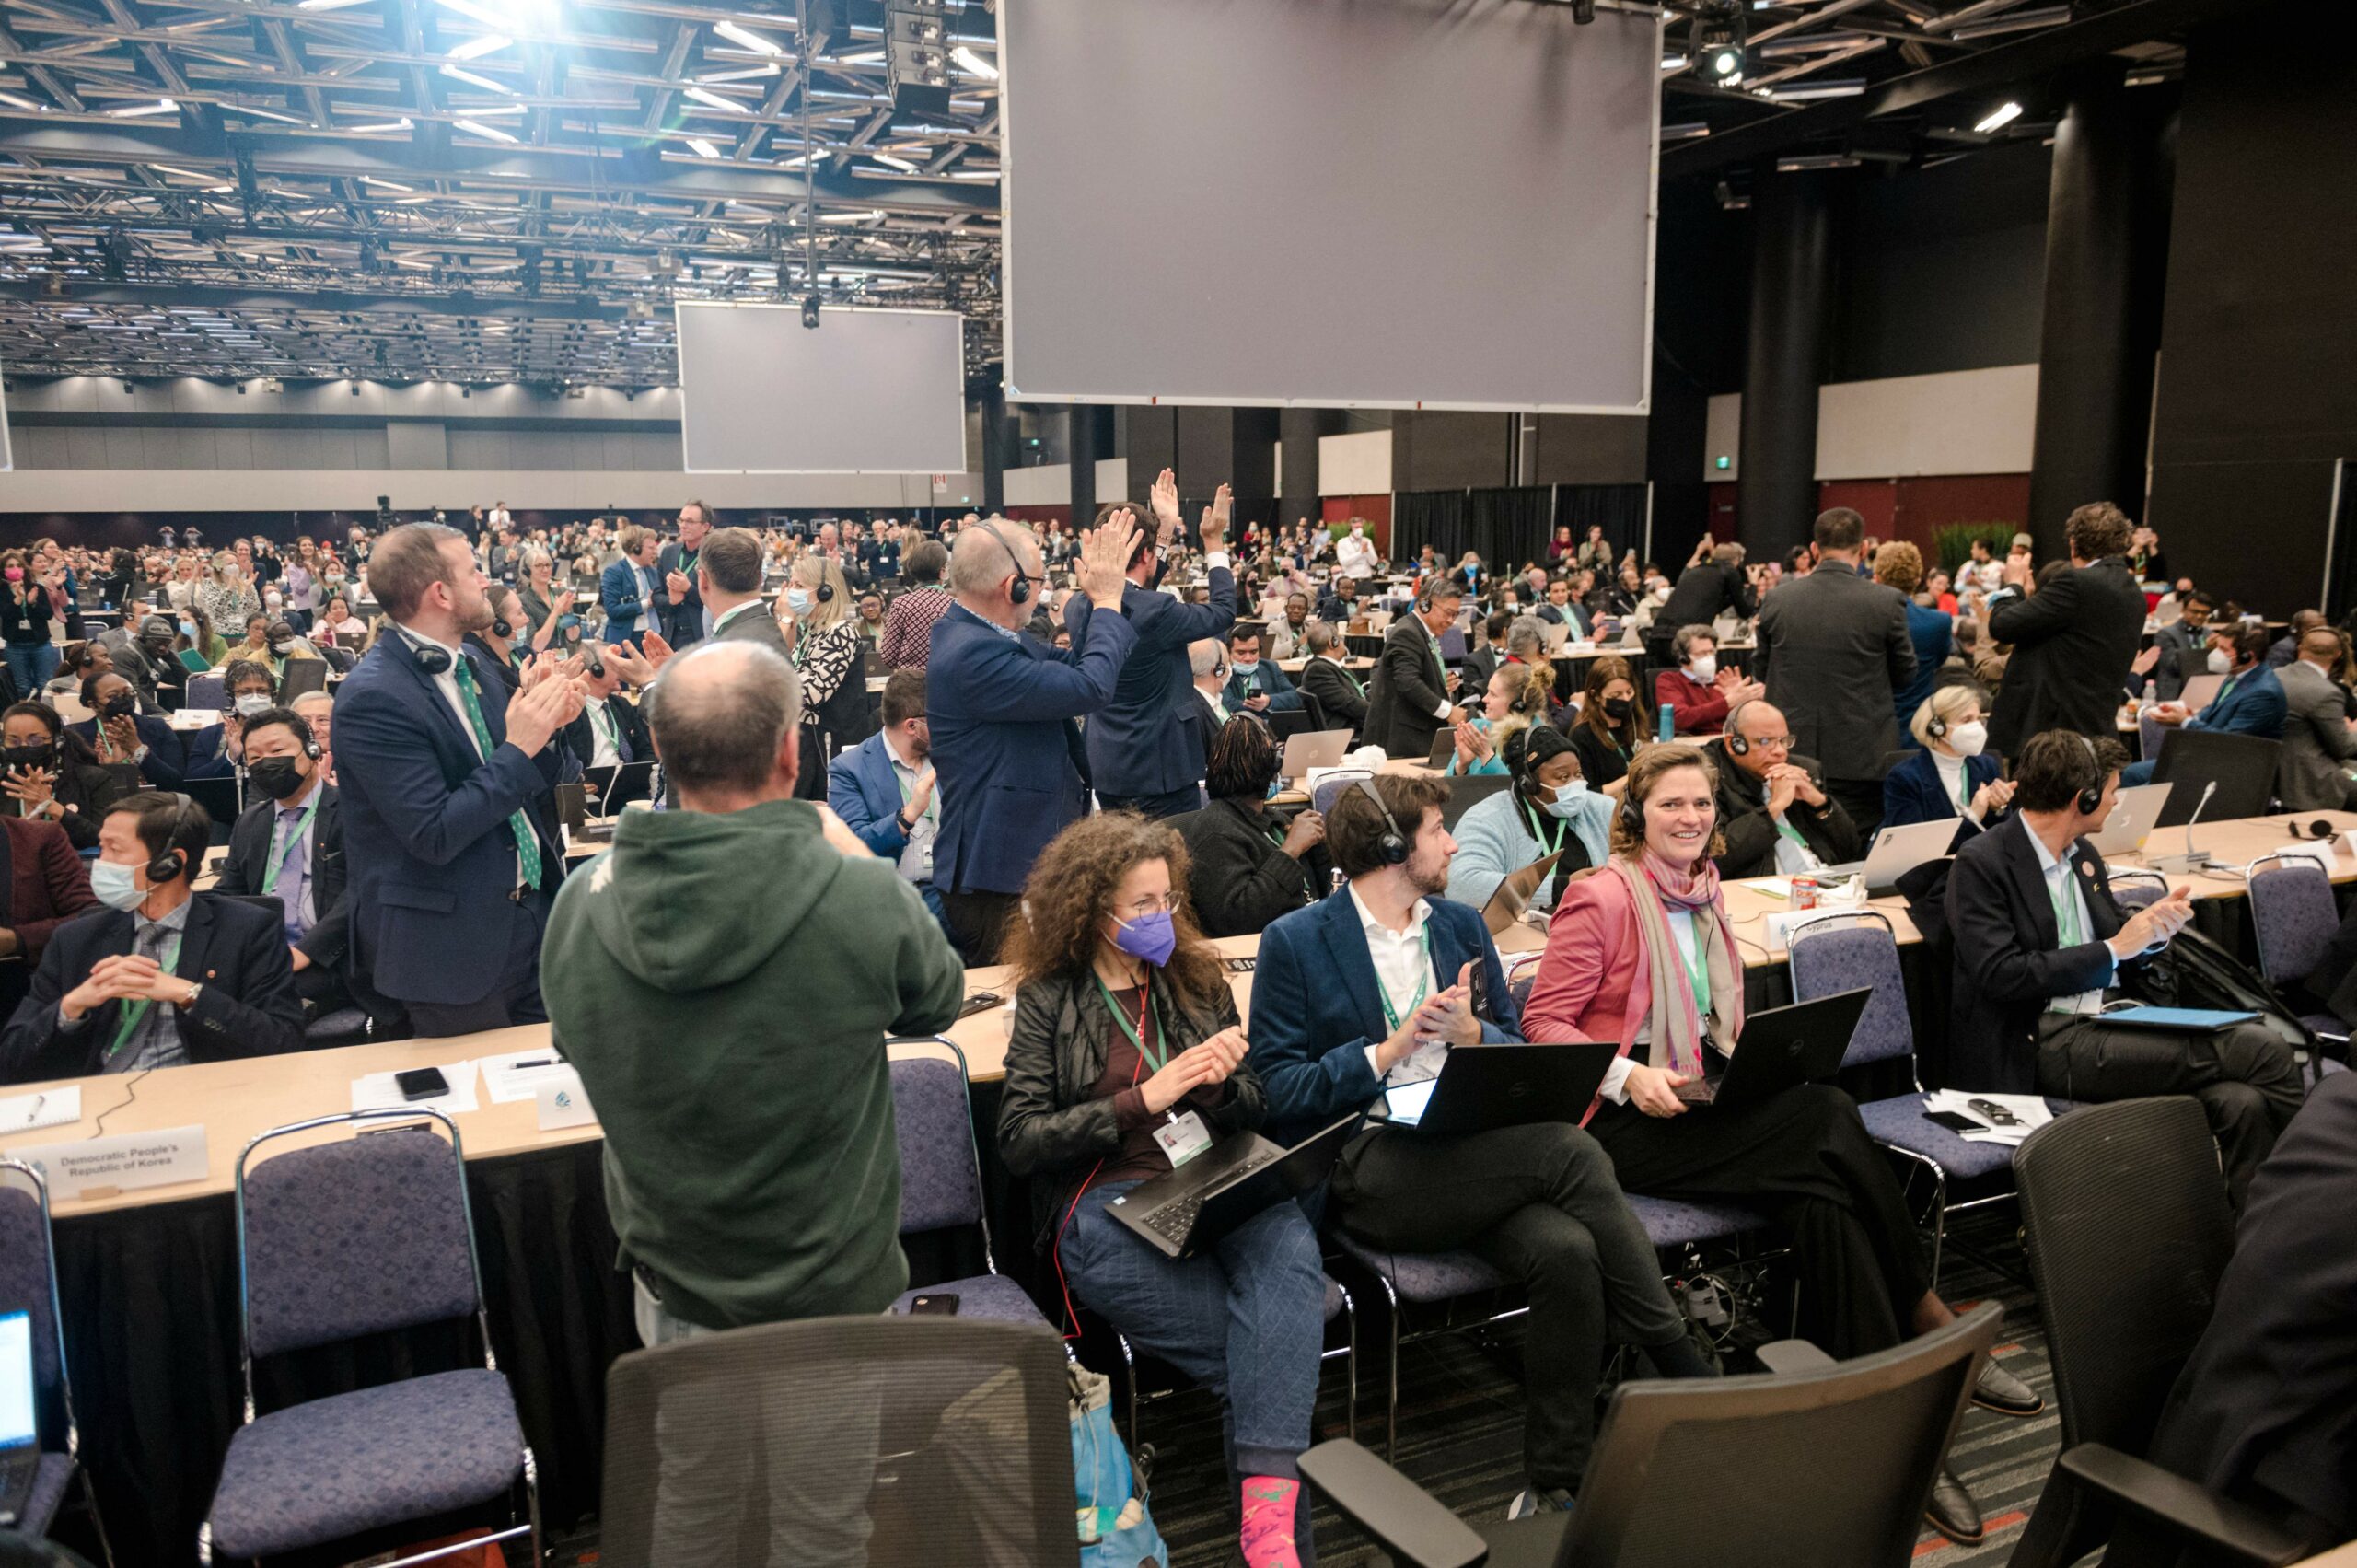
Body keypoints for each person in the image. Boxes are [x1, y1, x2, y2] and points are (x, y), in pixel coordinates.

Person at [1521, 742, 2037, 1541]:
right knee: (1828, 1112)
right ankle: (1923, 1313)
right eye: (1670, 805)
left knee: (1822, 1195)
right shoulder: (1603, 895)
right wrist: (1628, 1076)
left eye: (1701, 804)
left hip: (1695, 1097)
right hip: (1622, 1125)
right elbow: (1542, 1023)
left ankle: (1883, 1435)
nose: (1690, 818)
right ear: (1636, 816)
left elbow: (1704, 1014)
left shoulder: (1703, 888)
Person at [542, 641, 958, 1561]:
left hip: (676, 1272)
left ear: (655, 745)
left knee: (693, 1504)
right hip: (829, 1281)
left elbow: (579, 1043)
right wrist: (854, 851)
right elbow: (939, 999)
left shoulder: (581, 903)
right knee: (822, 1523)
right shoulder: (856, 894)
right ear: (789, 754)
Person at [1248, 772, 1718, 1517]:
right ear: (1395, 846)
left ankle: (1555, 1478)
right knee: (1568, 1150)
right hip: (1370, 1161)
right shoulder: (1296, 940)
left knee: (1565, 1250)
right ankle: (1683, 1366)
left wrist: (1474, 1037)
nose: (1454, 842)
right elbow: (1277, 1090)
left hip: (1468, 1143)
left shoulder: (1461, 926)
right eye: (1439, 829)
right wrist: (1386, 1048)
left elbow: (1515, 1039)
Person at [994, 811, 1324, 1566]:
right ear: (1094, 911)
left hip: (1218, 1173)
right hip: (1108, 1201)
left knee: (1282, 1262)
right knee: (1270, 1353)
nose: (1161, 917)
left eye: (1169, 899)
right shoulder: (1051, 997)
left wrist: (1215, 1088)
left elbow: (1255, 1103)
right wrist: (1140, 1099)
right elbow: (1019, 1139)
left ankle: (1270, 1542)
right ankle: (1276, 1547)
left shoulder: (1196, 976)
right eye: (1142, 905)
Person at [1945, 730, 2304, 1208]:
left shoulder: (2083, 858)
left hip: (2113, 1018)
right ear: (2083, 798)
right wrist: (2115, 947)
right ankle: (2318, 1204)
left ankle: (2254, 1239)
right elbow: (2002, 975)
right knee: (2263, 1048)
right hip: (2042, 1038)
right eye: (2112, 791)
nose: (2115, 802)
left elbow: (2123, 948)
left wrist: (2154, 934)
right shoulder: (1983, 863)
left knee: (2244, 1103)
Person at [336, 522, 584, 1037]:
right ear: (441, 594)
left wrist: (551, 731)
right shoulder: (373, 697)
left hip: (532, 918)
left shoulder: (472, 661)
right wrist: (520, 746)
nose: (484, 578)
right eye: (473, 570)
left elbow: (525, 788)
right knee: (487, 1112)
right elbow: (434, 833)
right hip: (450, 948)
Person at [2145, 1070, 2357, 1555]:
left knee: (2252, 1074)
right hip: (2271, 1508)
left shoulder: (2340, 1098)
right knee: (2253, 1070)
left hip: (2267, 1450)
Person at [928, 516, 1139, 960]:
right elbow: (1091, 688)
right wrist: (1106, 601)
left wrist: (1094, 600)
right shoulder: (974, 653)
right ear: (1014, 587)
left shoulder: (986, 635)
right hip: (997, 877)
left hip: (1015, 862)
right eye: (1040, 582)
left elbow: (1079, 666)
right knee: (1020, 1004)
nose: (1042, 593)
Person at [0, 791, 305, 1083]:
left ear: (169, 863)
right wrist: (72, 1006)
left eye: (114, 849)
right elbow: (12, 1059)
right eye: (101, 847)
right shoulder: (76, 939)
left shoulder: (247, 930)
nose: (100, 861)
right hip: (99, 1101)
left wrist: (189, 995)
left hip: (206, 1095)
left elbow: (283, 1042)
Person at [1070, 477, 1239, 819]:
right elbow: (1223, 611)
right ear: (1146, 554)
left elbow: (1134, 592)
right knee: (1170, 868)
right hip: (1163, 770)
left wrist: (1164, 529)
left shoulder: (1078, 606)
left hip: (1108, 764)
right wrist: (1213, 540)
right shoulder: (1157, 610)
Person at [1756, 509, 1915, 836]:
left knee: (1793, 847)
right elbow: (1905, 674)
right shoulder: (1886, 602)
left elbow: (1761, 668)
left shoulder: (1777, 599)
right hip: (1861, 752)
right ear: (1865, 549)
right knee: (1851, 847)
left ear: (1814, 549)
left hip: (1789, 750)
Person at [206, 705, 355, 1020]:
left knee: (257, 1006)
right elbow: (228, 894)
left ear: (312, 751)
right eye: (255, 757)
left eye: (277, 750)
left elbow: (360, 894)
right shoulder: (251, 822)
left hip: (328, 957)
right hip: (265, 953)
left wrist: (302, 953)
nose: (266, 763)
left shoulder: (351, 812)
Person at [1985, 502, 2147, 757]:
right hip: (2093, 725)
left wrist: (2013, 585)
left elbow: (2002, 626)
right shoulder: (2132, 591)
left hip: (2051, 735)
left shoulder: (2076, 582)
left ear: (2073, 544)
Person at [1171, 715, 1328, 938]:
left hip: (1304, 931)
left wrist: (1322, 843)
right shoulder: (1216, 832)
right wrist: (1290, 851)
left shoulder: (1274, 820)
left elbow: (1328, 889)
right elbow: (1238, 918)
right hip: (1265, 944)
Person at [1446, 725, 1614, 916]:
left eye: (1578, 774)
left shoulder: (1602, 808)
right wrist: (1561, 887)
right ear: (1529, 783)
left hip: (1598, 921)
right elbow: (1460, 884)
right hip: (1529, 936)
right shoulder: (1487, 818)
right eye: (1563, 777)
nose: (1575, 784)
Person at [826, 667, 945, 925]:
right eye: (938, 719)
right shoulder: (850, 769)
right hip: (888, 904)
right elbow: (853, 843)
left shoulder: (949, 758)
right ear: (912, 726)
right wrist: (909, 814)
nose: (946, 725)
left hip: (950, 901)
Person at [1702, 699, 1860, 877]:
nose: (1780, 751)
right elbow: (1716, 858)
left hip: (1822, 881)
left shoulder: (1805, 770)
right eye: (1765, 741)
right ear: (1734, 744)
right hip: (1756, 889)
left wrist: (1820, 804)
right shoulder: (1705, 778)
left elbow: (1850, 850)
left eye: (1783, 741)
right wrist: (1774, 808)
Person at [2120, 622, 2287, 786]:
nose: (2216, 653)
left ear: (2247, 656)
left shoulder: (2264, 693)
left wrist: (2185, 721)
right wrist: (2187, 713)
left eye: (2224, 649)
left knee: (2144, 791)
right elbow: (2215, 710)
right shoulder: (2237, 674)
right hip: (2206, 757)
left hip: (2229, 768)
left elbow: (2230, 741)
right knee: (2129, 774)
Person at [779, 552, 867, 796]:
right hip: (806, 739)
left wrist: (786, 618)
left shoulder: (841, 632)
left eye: (799, 585)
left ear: (825, 592)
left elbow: (813, 692)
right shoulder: (811, 630)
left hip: (828, 746)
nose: (791, 593)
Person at [1881, 685, 2012, 846]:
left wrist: (1999, 807)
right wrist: (1973, 816)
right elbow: (1911, 846)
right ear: (1936, 728)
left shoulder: (1986, 765)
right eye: (1966, 720)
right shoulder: (1904, 778)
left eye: (1979, 719)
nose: (1976, 727)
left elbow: (2003, 833)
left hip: (1981, 864)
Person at [0, 702, 135, 853]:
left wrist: (51, 806)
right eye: (14, 741)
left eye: (35, 740)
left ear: (58, 742)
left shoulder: (93, 779)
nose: (24, 746)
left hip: (77, 868)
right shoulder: (3, 780)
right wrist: (28, 821)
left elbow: (105, 837)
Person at [1361, 578, 1466, 760]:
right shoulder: (1407, 633)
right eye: (1448, 613)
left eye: (1456, 615)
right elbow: (1408, 683)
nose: (1451, 621)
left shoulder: (1420, 631)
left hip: (1413, 737)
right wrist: (1448, 711)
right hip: (1400, 743)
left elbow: (1413, 676)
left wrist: (1439, 683)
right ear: (1425, 604)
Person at [2274, 626, 2357, 810]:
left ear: (2300, 647)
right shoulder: (2326, 693)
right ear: (2337, 655)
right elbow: (2343, 747)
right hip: (2308, 779)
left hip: (2273, 771)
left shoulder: (2274, 675)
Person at [1873, 542, 1950, 737]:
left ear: (1877, 578)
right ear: (1917, 579)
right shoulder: (1939, 622)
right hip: (1918, 725)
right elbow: (1939, 661)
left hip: (1872, 725)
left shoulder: (1862, 621)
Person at [69, 671, 182, 789]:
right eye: (112, 696)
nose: (124, 698)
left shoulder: (158, 728)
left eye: (128, 692)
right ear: (94, 705)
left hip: (154, 802)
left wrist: (138, 750)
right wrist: (109, 769)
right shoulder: (76, 735)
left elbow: (175, 783)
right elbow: (73, 786)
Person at [1649, 542, 1754, 668]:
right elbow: (1745, 611)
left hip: (1658, 634)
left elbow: (1712, 605)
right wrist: (1753, 585)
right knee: (1695, 681)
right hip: (1685, 637)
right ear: (1737, 560)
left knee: (1665, 681)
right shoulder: (1729, 570)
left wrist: (1731, 598)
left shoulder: (1696, 569)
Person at [1445, 661, 1550, 777]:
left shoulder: (1541, 741)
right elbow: (1445, 790)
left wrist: (1487, 756)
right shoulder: (1476, 729)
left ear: (1518, 705)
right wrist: (1461, 767)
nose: (1484, 699)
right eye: (1487, 691)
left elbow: (1521, 791)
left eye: (1493, 694)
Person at [1652, 625, 1760, 737]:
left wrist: (1742, 703)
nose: (1709, 658)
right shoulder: (1669, 680)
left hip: (1728, 740)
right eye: (1702, 654)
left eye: (1711, 652)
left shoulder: (1723, 680)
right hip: (1693, 745)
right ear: (1683, 658)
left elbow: (1747, 722)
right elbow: (1680, 718)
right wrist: (1727, 703)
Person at [558, 647, 652, 776]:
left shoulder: (621, 704)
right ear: (597, 671)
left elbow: (645, 750)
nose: (621, 671)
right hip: (591, 790)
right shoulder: (570, 709)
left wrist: (642, 776)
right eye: (614, 666)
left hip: (630, 783)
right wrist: (577, 781)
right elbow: (561, 759)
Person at [180, 658, 278, 780]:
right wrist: (230, 757)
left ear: (272, 694)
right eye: (245, 692)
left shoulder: (287, 731)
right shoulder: (211, 734)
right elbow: (193, 779)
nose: (255, 697)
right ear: (232, 696)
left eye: (262, 691)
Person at [1567, 655, 1644, 792]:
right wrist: (1634, 777)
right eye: (1616, 696)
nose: (1626, 699)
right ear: (1595, 695)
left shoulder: (1635, 721)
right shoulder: (1582, 735)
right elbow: (1587, 794)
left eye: (1629, 692)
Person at [878, 538, 952, 668]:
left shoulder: (901, 604)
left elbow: (888, 657)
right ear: (942, 571)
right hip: (945, 682)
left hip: (909, 683)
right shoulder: (954, 606)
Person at [0, 549, 58, 700]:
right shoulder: (2, 591)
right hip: (15, 645)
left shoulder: (36, 587)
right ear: (3, 570)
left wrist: (32, 603)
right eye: (10, 566)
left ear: (24, 568)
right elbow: (5, 615)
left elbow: (48, 614)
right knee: (21, 686)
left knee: (44, 683)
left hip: (40, 643)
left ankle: (45, 717)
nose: (15, 569)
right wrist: (18, 601)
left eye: (18, 565)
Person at [656, 499, 712, 646]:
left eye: (690, 521)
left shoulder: (714, 555)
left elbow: (718, 599)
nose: (683, 526)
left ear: (705, 526)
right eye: (681, 520)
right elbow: (656, 596)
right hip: (671, 635)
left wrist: (688, 589)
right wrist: (671, 600)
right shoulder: (668, 552)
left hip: (702, 635)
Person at [1295, 622, 1368, 734]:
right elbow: (1348, 704)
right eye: (1340, 638)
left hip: (1360, 725)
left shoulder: (1334, 667)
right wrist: (1378, 711)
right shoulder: (1317, 671)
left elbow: (1359, 696)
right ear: (1333, 642)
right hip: (1349, 731)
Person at [599, 524, 663, 648]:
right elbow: (612, 610)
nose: (655, 552)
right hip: (627, 640)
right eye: (651, 548)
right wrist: (647, 603)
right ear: (636, 549)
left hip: (654, 637)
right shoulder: (614, 572)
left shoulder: (654, 572)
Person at [1223, 624, 1303, 717]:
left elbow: (1295, 698)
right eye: (1241, 653)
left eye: (1253, 652)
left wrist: (1268, 701)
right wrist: (1263, 709)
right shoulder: (1223, 673)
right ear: (1229, 652)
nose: (1248, 658)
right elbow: (1229, 705)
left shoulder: (1270, 667)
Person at [2152, 588, 2216, 701]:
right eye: (2195, 611)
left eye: (2204, 613)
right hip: (2175, 692)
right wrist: (2206, 651)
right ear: (2183, 610)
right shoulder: (2166, 634)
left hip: (2202, 691)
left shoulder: (2209, 634)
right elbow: (2174, 665)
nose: (2200, 616)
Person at [1267, 593, 1313, 661]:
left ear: (1307, 611)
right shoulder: (1274, 627)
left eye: (1301, 608)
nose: (1296, 611)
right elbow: (1271, 653)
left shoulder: (1311, 629)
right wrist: (1299, 641)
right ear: (1286, 609)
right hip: (1284, 670)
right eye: (1292, 607)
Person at [1333, 517, 1377, 581]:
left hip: (1366, 579)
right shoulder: (1342, 542)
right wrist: (1360, 553)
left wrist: (1368, 551)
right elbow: (1343, 562)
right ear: (1350, 528)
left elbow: (1374, 562)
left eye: (1361, 527)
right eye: (1356, 527)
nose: (1359, 529)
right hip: (1350, 579)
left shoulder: (1367, 541)